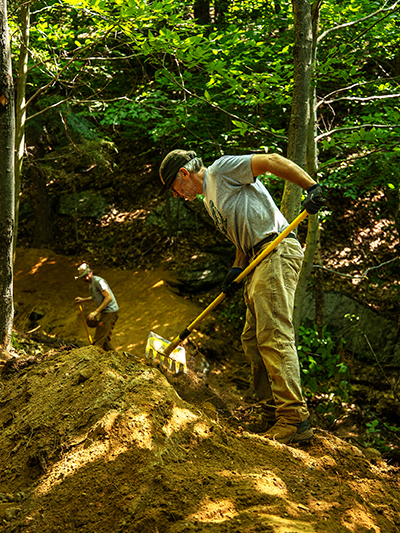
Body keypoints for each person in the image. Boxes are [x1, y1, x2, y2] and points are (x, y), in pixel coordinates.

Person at [158, 149, 324, 444]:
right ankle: (272, 412)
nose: (177, 195)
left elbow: (271, 160)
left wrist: (311, 186)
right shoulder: (210, 199)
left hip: (275, 248)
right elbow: (243, 233)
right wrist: (235, 270)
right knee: (252, 339)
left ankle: (294, 418)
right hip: (255, 259)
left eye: (174, 188)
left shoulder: (220, 171)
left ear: (184, 174)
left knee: (273, 333)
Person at [75, 263, 119, 351]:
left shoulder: (98, 281)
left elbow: (108, 297)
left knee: (99, 340)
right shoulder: (91, 284)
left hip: (110, 312)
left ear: (91, 272)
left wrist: (96, 312)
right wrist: (83, 300)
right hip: (105, 313)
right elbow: (96, 297)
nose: (86, 278)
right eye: (83, 277)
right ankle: (118, 360)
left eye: (87, 275)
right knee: (104, 339)